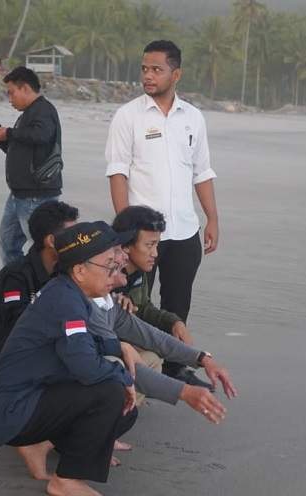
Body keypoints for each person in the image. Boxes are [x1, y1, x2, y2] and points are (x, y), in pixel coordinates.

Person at [0, 222, 137, 496]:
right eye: (108, 265)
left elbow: (84, 346)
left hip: (24, 398)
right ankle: (67, 481)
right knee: (111, 392)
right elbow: (85, 367)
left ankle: (43, 443)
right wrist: (124, 377)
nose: (115, 272)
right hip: (9, 409)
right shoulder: (67, 301)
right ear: (79, 270)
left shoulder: (67, 292)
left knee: (124, 410)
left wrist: (117, 347)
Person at [105, 40, 219, 378]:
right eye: (144, 69)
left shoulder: (193, 118)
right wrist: (125, 230)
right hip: (141, 236)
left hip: (185, 230)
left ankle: (173, 367)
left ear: (176, 73)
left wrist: (212, 218)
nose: (148, 76)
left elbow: (202, 172)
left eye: (157, 69)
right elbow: (117, 172)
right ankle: (137, 365)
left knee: (177, 303)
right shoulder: (128, 116)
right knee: (134, 302)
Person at [88, 246, 238, 418]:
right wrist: (186, 392)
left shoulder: (108, 301)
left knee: (148, 360)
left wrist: (203, 358)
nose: (123, 259)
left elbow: (152, 337)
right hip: (60, 393)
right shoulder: (79, 305)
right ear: (80, 270)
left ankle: (110, 419)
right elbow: (106, 364)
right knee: (117, 365)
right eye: (111, 261)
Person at [0, 200, 79, 400]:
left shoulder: (64, 271)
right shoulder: (15, 276)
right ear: (51, 241)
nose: (79, 240)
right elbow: (19, 324)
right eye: (73, 235)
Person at [111, 206, 213, 389]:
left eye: (157, 244)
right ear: (125, 245)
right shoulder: (103, 274)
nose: (155, 254)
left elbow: (143, 308)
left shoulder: (137, 272)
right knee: (150, 359)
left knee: (152, 357)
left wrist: (173, 322)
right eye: (149, 245)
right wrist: (112, 302)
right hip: (102, 348)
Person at [0, 66, 63, 265]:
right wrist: (1, 141)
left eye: (11, 93)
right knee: (7, 243)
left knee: (45, 248)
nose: (9, 98)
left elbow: (42, 135)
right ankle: (19, 283)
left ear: (26, 88)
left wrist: (8, 133)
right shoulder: (28, 114)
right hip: (20, 194)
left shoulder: (44, 110)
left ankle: (49, 289)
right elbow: (23, 150)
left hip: (37, 194)